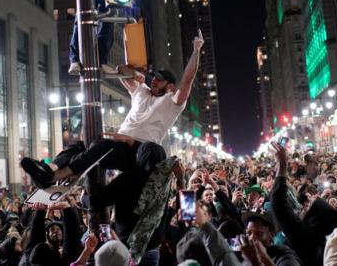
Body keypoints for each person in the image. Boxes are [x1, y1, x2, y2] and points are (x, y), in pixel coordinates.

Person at [21, 30, 204, 188]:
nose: (154, 81)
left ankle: (55, 177)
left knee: (103, 145)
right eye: (153, 78)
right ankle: (50, 168)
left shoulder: (172, 102)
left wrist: (196, 50)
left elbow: (187, 80)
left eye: (159, 79)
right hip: (118, 144)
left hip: (138, 152)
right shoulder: (142, 92)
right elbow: (122, 70)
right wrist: (138, 72)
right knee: (82, 144)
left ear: (170, 86)